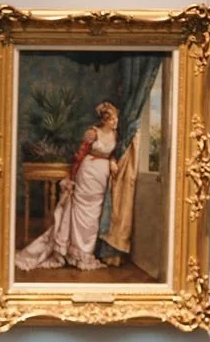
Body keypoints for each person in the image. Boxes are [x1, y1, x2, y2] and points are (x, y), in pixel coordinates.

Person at [15, 101, 134, 272]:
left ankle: (86, 252)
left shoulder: (116, 135)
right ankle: (75, 253)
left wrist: (113, 161)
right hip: (87, 173)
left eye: (116, 119)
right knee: (80, 211)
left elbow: (114, 154)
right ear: (105, 120)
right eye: (113, 119)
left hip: (101, 177)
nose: (116, 122)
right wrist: (72, 178)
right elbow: (80, 155)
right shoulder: (93, 133)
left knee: (94, 215)